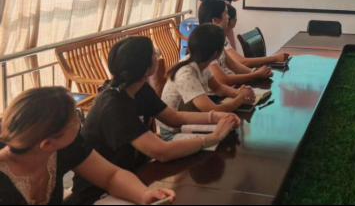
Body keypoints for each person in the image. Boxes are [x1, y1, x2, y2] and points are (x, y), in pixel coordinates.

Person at [72, 36, 240, 204]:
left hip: (133, 174)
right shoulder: (114, 105)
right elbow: (161, 152)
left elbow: (174, 118)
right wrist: (213, 137)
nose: (158, 56)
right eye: (154, 54)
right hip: (99, 192)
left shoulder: (139, 88)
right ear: (146, 69)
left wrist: (214, 116)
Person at [0, 87, 175, 206]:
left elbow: (111, 176)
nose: (80, 120)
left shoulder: (63, 145)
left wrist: (144, 194)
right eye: (75, 118)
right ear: (47, 144)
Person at [159, 24, 257, 141]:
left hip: (190, 122)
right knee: (226, 133)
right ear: (216, 53)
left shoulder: (200, 62)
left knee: (229, 128)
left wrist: (239, 92)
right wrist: (240, 98)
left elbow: (218, 88)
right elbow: (213, 110)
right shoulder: (186, 74)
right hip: (174, 132)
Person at [199, 0, 288, 86]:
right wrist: (255, 75)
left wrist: (254, 71)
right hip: (224, 91)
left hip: (232, 87)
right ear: (215, 20)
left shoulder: (218, 39)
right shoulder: (206, 45)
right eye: (226, 14)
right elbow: (223, 80)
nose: (228, 17)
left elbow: (233, 65)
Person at [226, 3, 290, 68]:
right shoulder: (221, 40)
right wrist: (274, 58)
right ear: (233, 21)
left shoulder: (224, 38)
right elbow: (242, 62)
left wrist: (253, 72)